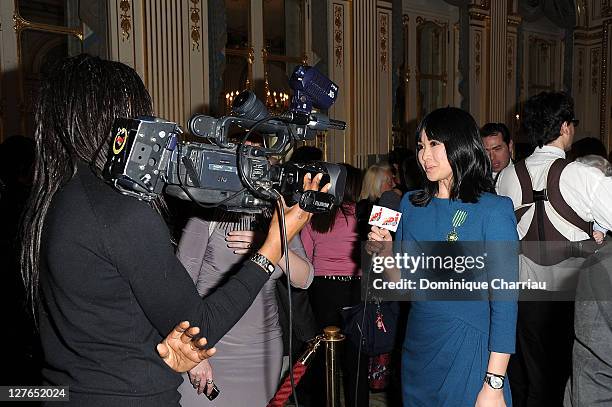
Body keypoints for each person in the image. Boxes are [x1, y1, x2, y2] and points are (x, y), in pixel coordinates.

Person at [19, 54, 330, 406]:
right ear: (116, 119)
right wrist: (273, 247)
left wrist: (164, 349)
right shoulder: (120, 210)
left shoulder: (59, 198)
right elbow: (201, 326)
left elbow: (110, 312)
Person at [369, 107, 518, 406]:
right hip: (418, 346)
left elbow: (505, 303)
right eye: (422, 146)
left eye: (435, 144)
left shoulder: (494, 210)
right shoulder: (411, 204)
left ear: (461, 143)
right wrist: (384, 254)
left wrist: (494, 382)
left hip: (469, 349)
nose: (425, 156)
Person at [496, 91, 612, 407]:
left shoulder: (506, 177)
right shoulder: (584, 175)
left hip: (524, 295)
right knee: (568, 384)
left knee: (531, 381)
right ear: (564, 127)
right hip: (575, 297)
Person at [176, 189, 314, 405]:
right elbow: (179, 288)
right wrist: (193, 350)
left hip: (262, 349)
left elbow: (304, 278)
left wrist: (271, 244)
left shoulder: (277, 214)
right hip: (207, 343)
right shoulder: (208, 210)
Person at [301, 164, 369, 407]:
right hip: (355, 287)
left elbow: (306, 257)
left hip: (322, 290)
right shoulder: (362, 217)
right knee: (356, 361)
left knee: (321, 357)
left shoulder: (317, 216)